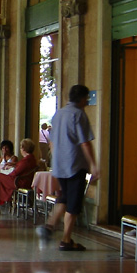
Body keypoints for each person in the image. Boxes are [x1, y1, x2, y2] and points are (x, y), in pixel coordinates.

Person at [36, 84, 99, 251]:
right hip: (75, 165)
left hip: (60, 165)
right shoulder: (79, 115)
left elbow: (52, 143)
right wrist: (93, 164)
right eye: (87, 97)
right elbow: (85, 142)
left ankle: (50, 225)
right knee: (74, 203)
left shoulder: (59, 114)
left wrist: (55, 160)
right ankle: (66, 240)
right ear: (83, 98)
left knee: (64, 197)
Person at [0, 138, 40, 216]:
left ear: (23, 148)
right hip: (23, 180)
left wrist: (9, 171)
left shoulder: (26, 160)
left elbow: (15, 173)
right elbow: (21, 167)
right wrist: (14, 165)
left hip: (19, 182)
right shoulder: (31, 159)